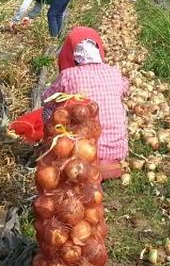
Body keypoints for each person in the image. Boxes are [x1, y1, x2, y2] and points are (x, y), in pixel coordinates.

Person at [43, 28, 128, 180]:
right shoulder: (114, 71)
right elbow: (125, 88)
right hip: (115, 154)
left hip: (82, 154)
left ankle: (64, 156)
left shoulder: (68, 75)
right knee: (121, 105)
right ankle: (111, 160)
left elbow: (46, 99)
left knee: (50, 112)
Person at [11, 0, 76, 38]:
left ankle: (54, 38)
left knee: (51, 15)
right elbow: (38, 7)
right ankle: (58, 36)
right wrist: (29, 17)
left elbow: (24, 5)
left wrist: (15, 20)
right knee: (58, 14)